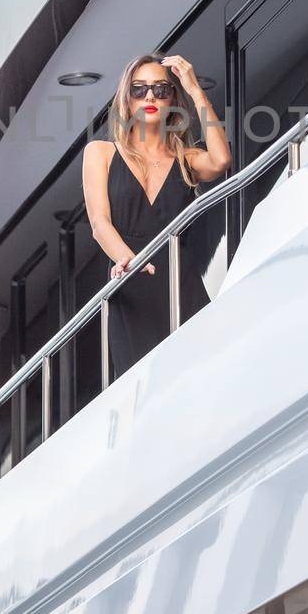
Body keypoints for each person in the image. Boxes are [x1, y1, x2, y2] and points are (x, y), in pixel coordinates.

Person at [82, 53, 231, 376]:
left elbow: (220, 161)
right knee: (143, 391)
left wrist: (193, 88)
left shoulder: (186, 158)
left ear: (172, 99)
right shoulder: (101, 153)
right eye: (139, 89)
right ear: (126, 98)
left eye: (161, 89)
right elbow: (99, 223)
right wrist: (127, 260)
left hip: (182, 285)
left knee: (200, 380)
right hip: (131, 288)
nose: (150, 96)